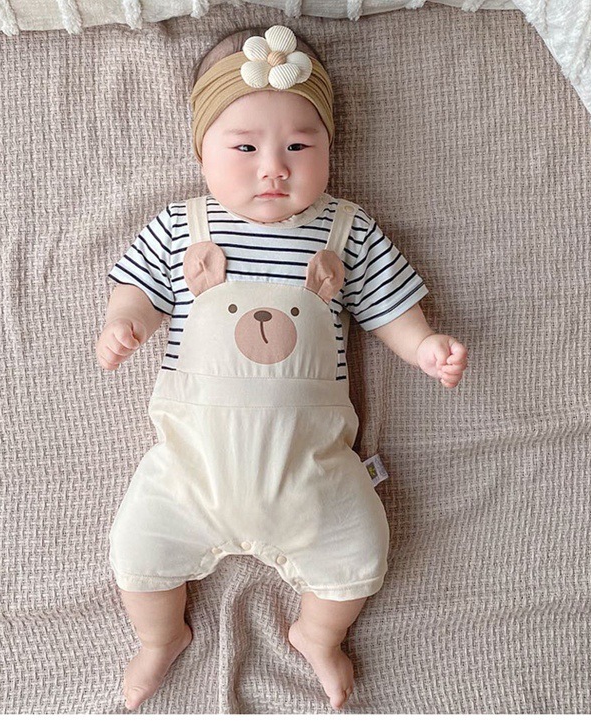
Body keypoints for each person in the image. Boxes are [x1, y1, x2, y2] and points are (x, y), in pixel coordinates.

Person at [95, 25, 468, 711]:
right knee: (135, 550)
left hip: (312, 474)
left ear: (329, 147)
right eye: (245, 148)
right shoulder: (183, 227)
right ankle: (159, 637)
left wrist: (422, 345)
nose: (273, 168)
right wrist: (127, 323)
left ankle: (317, 635)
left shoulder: (346, 230)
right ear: (202, 151)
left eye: (299, 146)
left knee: (361, 554)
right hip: (190, 471)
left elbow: (389, 307)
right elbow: (137, 291)